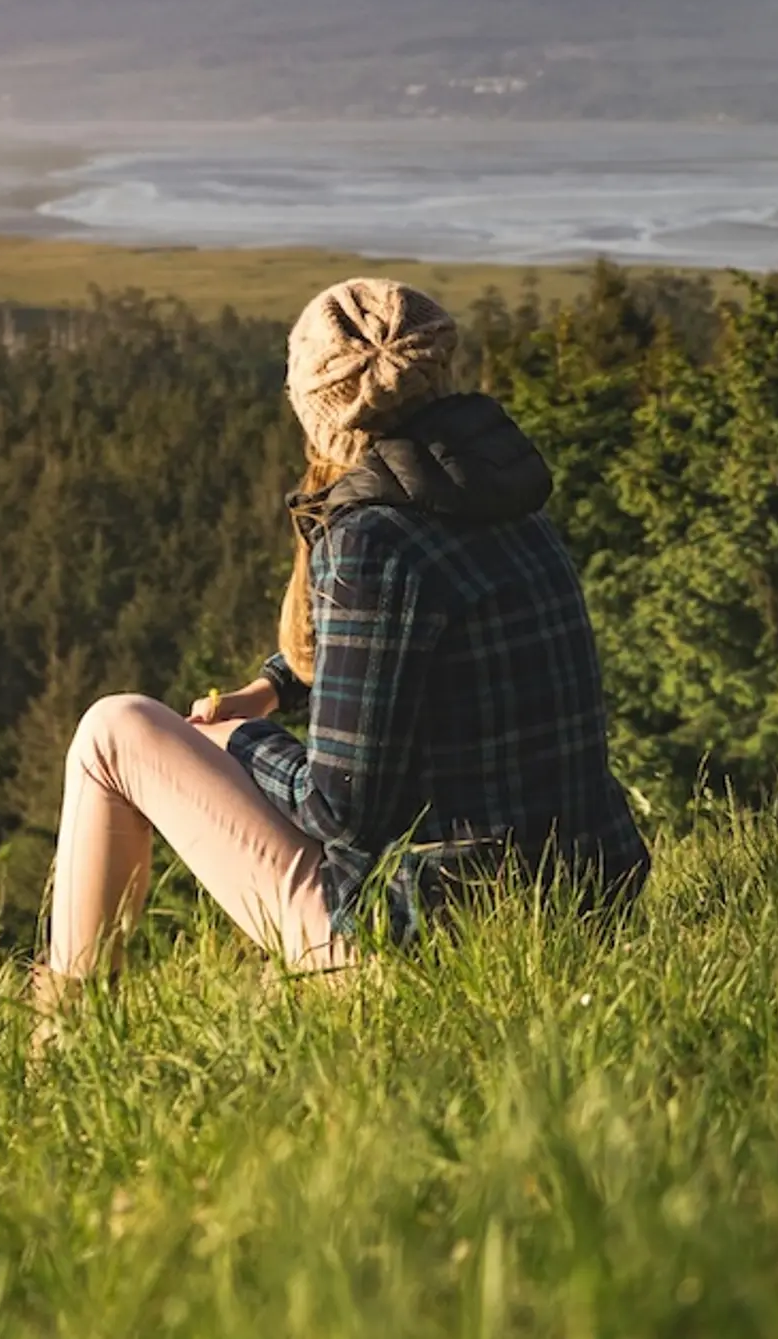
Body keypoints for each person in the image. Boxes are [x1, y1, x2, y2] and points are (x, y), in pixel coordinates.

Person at [35, 278, 650, 1007]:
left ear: (320, 408)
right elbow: (407, 645)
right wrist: (274, 685)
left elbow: (342, 811)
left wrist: (242, 738)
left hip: (442, 940)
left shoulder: (373, 541)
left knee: (114, 730)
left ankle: (67, 1027)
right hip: (589, 907)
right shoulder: (503, 497)